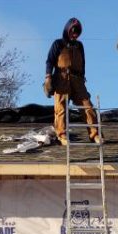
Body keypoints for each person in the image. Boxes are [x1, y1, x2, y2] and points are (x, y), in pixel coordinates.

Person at [44, 17, 102, 146]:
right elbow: (50, 61)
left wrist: (82, 79)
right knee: (61, 108)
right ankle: (62, 135)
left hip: (77, 80)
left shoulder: (79, 45)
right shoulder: (58, 44)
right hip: (62, 79)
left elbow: (83, 63)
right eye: (73, 31)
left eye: (77, 31)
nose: (74, 34)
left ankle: (95, 134)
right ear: (67, 30)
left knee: (87, 106)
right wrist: (48, 77)